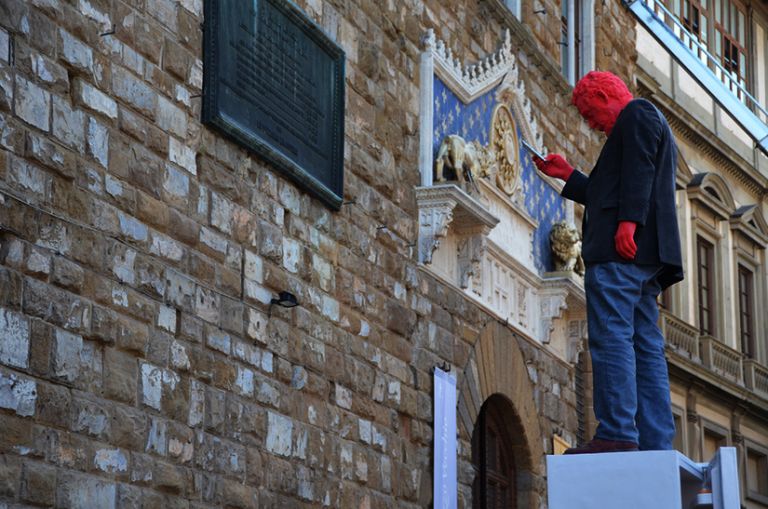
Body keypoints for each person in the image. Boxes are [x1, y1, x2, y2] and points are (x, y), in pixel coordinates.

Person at [534, 71, 684, 454]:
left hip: (621, 254)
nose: (590, 123)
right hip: (644, 260)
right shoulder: (642, 122)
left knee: (611, 336)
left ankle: (617, 431)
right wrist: (568, 175)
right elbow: (610, 190)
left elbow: (640, 171)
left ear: (604, 94)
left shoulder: (638, 114)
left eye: (589, 112)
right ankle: (654, 443)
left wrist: (628, 224)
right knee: (645, 345)